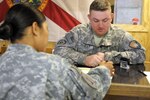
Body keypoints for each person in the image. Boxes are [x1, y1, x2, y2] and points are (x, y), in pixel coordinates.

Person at [0, 3, 115, 100]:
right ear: (35, 28)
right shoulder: (53, 65)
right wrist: (104, 70)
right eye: (46, 29)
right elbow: (92, 92)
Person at [53, 0, 146, 67]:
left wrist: (108, 56)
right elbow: (58, 50)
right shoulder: (78, 32)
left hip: (112, 81)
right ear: (89, 17)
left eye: (105, 20)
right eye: (96, 20)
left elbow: (141, 54)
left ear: (112, 17)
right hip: (82, 82)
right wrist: (84, 59)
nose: (100, 25)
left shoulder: (120, 35)